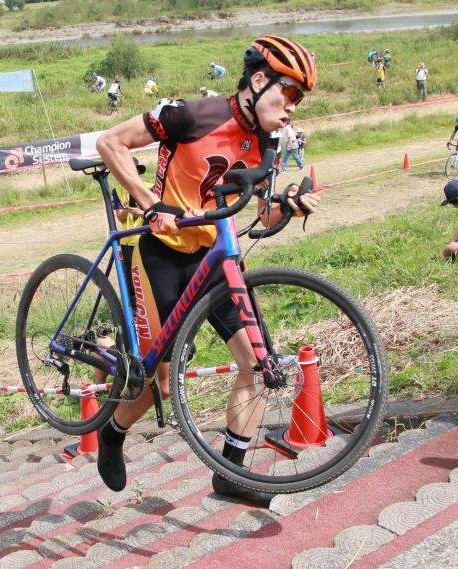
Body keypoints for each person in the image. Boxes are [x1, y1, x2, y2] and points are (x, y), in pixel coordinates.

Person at [94, 35, 319, 503]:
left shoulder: (268, 140)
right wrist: (150, 203)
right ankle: (112, 434)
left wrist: (289, 205)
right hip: (160, 249)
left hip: (215, 253)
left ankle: (231, 474)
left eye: (300, 99)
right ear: (259, 81)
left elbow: (264, 214)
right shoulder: (188, 115)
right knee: (161, 373)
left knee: (256, 363)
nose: (294, 106)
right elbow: (109, 142)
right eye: (290, 93)